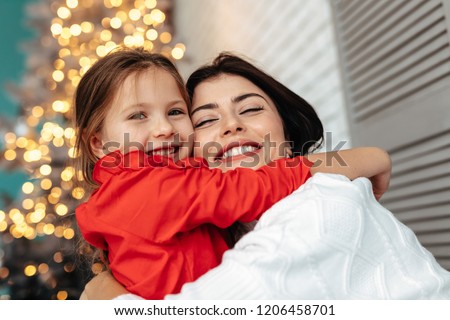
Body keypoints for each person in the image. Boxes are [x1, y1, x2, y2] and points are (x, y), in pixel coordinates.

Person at [81, 52, 450, 300]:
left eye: (177, 112)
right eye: (206, 119)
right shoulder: (189, 205)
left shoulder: (324, 203)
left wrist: (107, 298)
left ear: (286, 127)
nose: (231, 127)